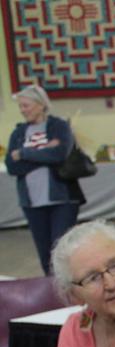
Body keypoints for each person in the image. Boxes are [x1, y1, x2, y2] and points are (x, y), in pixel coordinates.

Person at [5, 84, 85, 276]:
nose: (22, 111)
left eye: (26, 106)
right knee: (44, 254)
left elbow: (59, 155)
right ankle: (52, 294)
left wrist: (24, 153)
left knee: (62, 250)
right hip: (31, 202)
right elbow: (12, 166)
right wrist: (43, 153)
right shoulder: (18, 133)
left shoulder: (59, 126)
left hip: (62, 199)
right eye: (21, 107)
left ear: (41, 104)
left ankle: (72, 290)